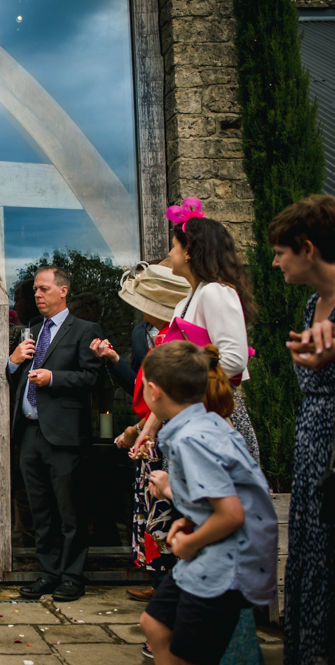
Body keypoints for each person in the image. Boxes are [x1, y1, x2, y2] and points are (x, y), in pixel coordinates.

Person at [139, 341, 277, 665]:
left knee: (189, 653)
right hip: (210, 557)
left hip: (225, 566)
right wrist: (189, 517)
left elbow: (231, 514)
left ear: (154, 392)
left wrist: (190, 543)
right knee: (153, 623)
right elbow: (223, 493)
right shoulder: (206, 424)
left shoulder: (192, 439)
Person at [89, 263, 190, 607]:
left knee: (174, 508)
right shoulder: (138, 334)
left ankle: (176, 587)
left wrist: (141, 429)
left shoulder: (184, 332)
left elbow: (175, 391)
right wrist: (113, 359)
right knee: (149, 507)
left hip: (173, 429)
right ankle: (159, 580)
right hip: (151, 431)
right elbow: (138, 385)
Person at [9, 266, 103, 602]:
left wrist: (55, 378)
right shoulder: (32, 330)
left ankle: (72, 577)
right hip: (29, 432)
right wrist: (13, 362)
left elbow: (93, 377)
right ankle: (48, 573)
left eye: (44, 289)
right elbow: (14, 378)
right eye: (35, 289)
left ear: (63, 291)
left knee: (70, 511)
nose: (37, 294)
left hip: (64, 435)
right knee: (41, 511)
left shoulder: (85, 330)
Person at [268, 194, 335, 665]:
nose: (275, 262)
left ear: (307, 249)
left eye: (280, 252)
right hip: (312, 438)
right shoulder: (314, 303)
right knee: (310, 554)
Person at [165, 198, 260, 462]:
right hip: (190, 412)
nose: (169, 253)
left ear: (188, 252)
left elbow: (235, 359)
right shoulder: (184, 303)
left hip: (214, 412)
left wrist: (185, 385)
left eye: (174, 246)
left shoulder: (216, 292)